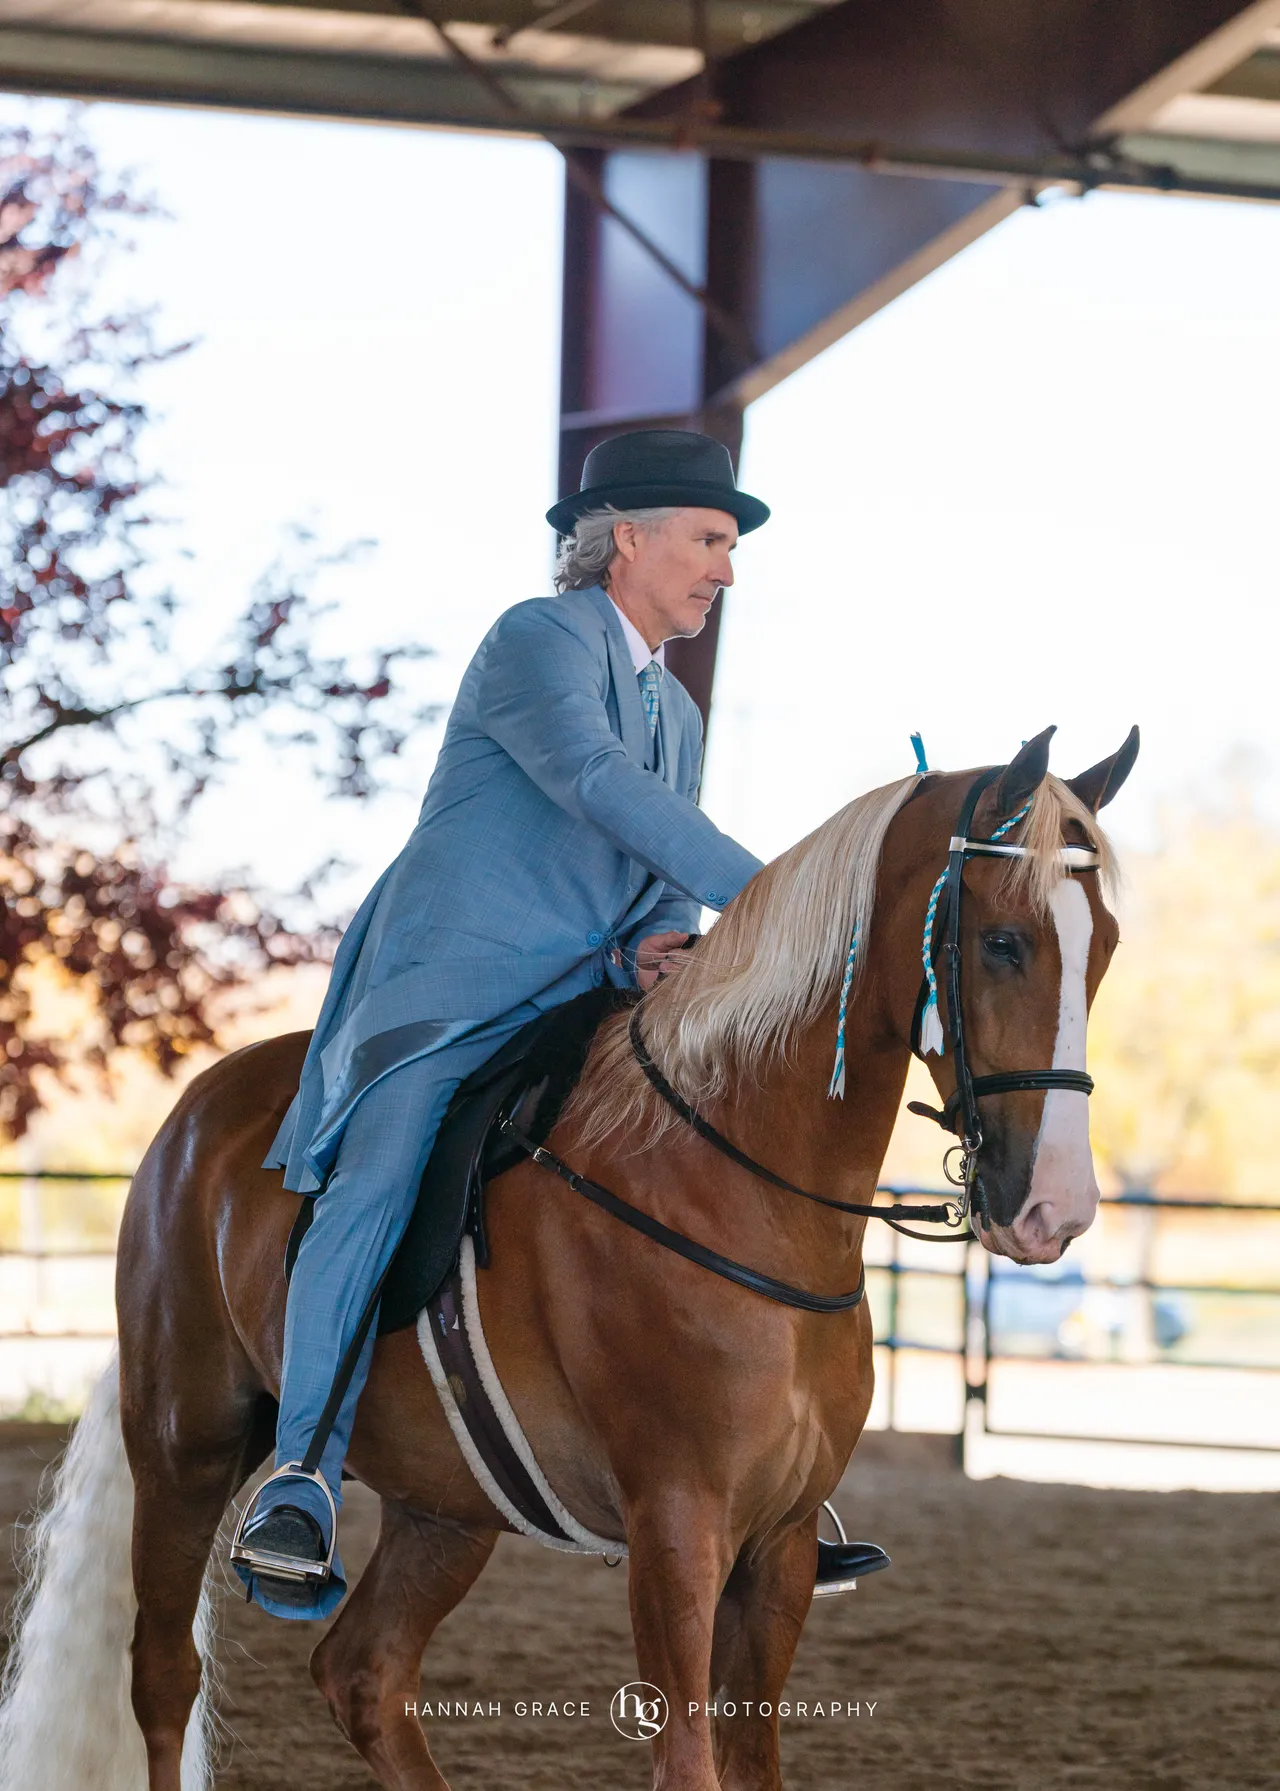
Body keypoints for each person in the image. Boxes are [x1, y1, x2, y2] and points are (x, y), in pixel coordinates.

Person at [233, 429, 886, 1618]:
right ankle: (300, 1479)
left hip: (587, 987)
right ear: (624, 538)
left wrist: (668, 939)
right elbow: (596, 785)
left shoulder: (675, 710)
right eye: (708, 542)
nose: (723, 572)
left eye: (727, 549)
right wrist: (786, 903)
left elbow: (655, 859)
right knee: (378, 1177)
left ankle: (769, 1467)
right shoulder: (535, 639)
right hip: (454, 987)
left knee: (710, 1149)